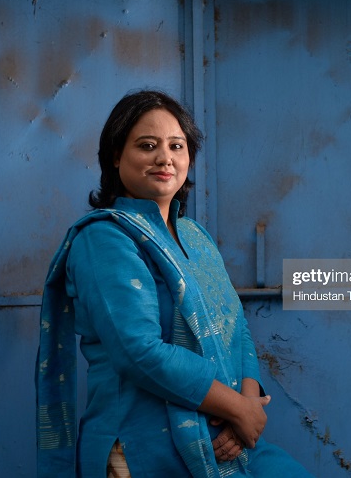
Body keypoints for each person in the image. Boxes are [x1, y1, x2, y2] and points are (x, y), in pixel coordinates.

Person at [36, 90, 312, 477]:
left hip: (224, 439)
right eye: (147, 146)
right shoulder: (105, 239)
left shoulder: (195, 237)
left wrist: (246, 409)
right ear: (116, 156)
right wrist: (234, 408)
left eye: (176, 146)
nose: (164, 158)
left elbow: (236, 328)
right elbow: (139, 351)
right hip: (142, 446)